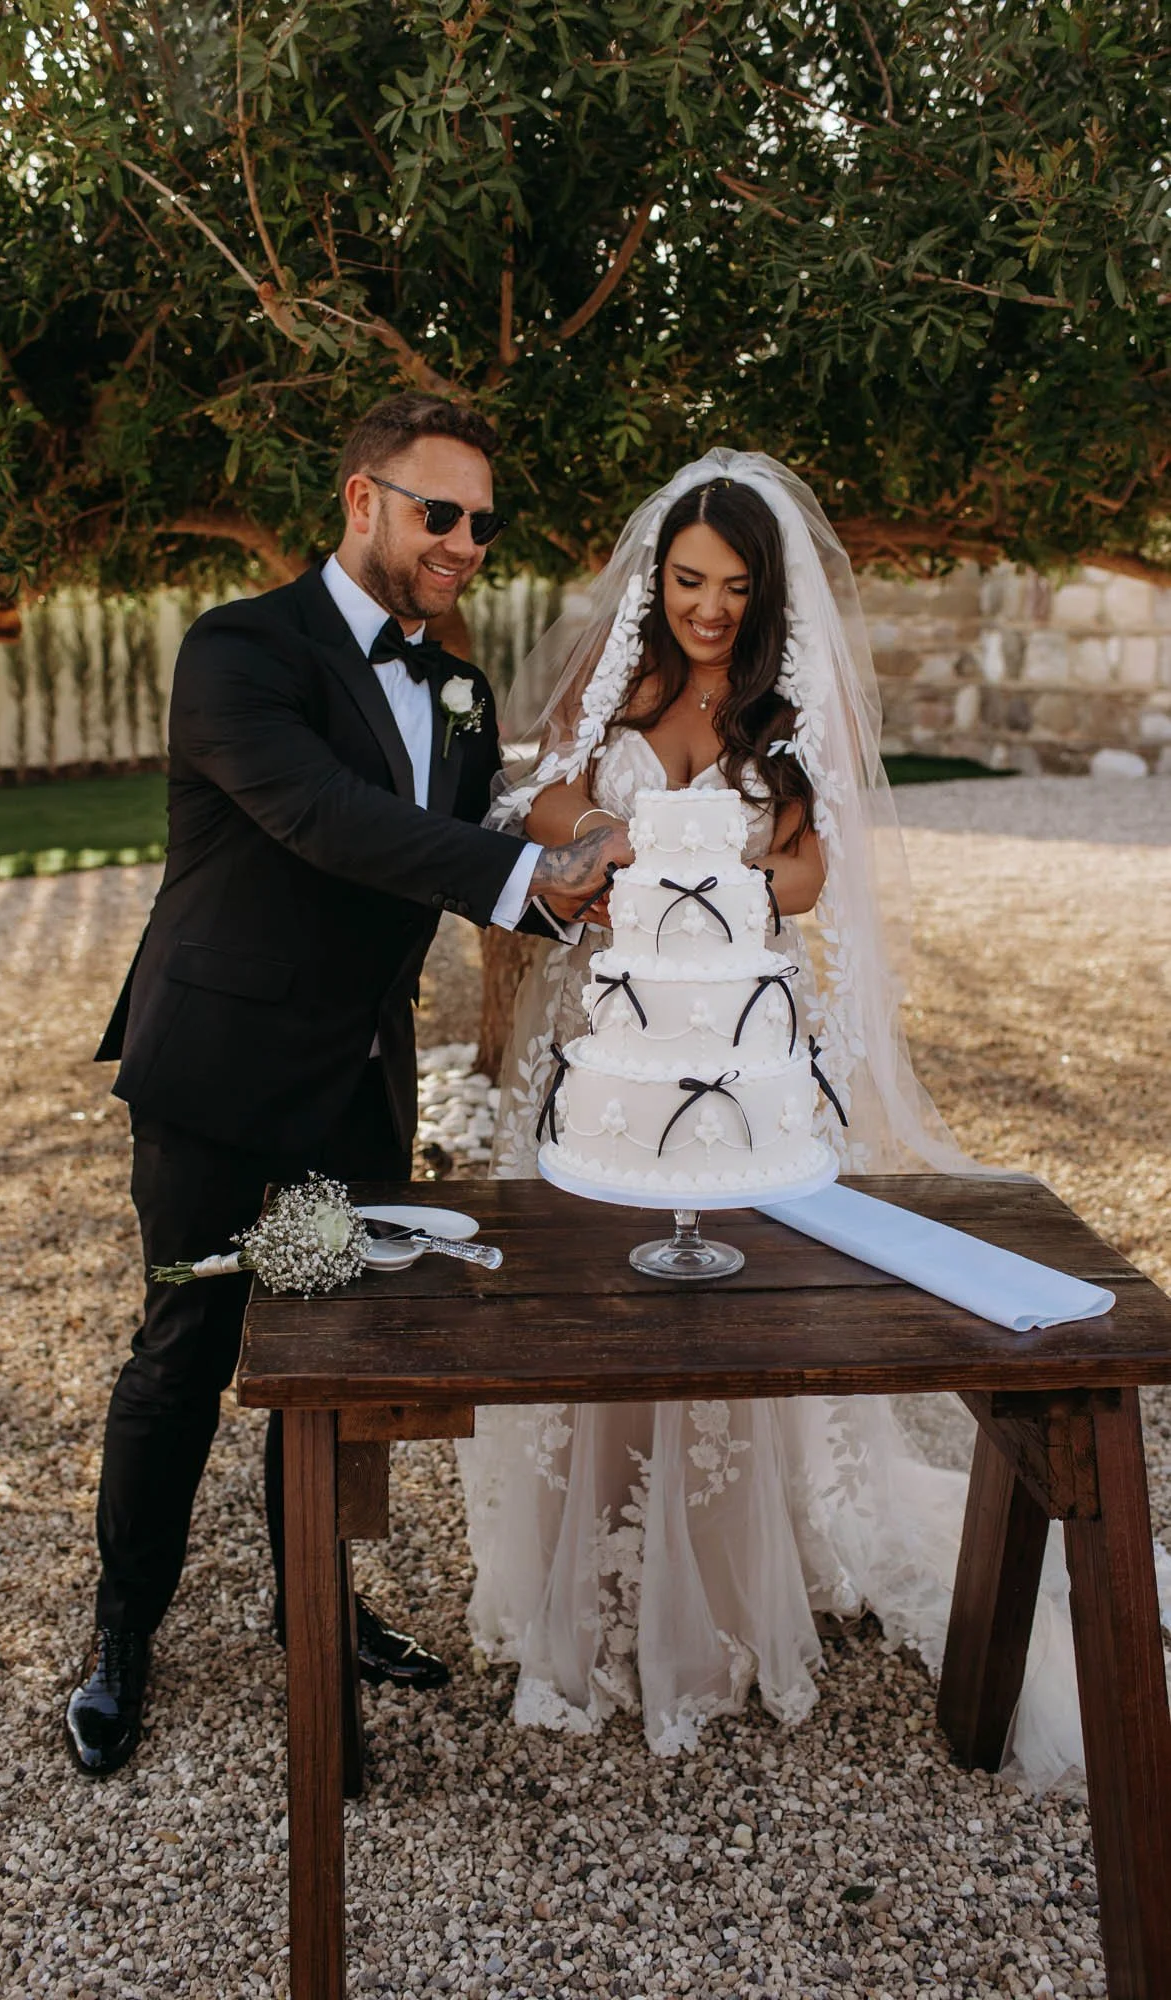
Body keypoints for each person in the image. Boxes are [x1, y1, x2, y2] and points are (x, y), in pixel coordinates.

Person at [458, 452, 1143, 1790]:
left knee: (727, 1318)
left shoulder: (782, 701)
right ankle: (594, 1576)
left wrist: (732, 872)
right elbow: (533, 795)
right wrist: (601, 825)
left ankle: (724, 1583)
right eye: (690, 581)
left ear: (765, 597)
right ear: (660, 577)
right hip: (624, 1047)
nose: (708, 608)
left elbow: (814, 871)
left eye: (733, 589)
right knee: (603, 1307)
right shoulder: (620, 671)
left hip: (731, 1066)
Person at [65, 392, 630, 1776]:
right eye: (440, 513)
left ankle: (313, 1606)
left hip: (355, 1078)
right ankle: (122, 1633)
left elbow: (442, 840)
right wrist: (522, 878)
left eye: (483, 524)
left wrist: (569, 905)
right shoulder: (237, 650)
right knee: (185, 1356)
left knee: (328, 1367)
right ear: (362, 501)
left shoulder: (459, 686)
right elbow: (325, 819)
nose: (464, 542)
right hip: (217, 1067)